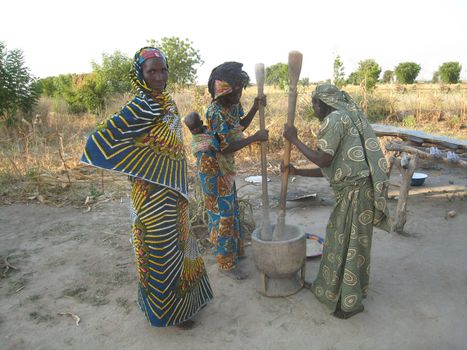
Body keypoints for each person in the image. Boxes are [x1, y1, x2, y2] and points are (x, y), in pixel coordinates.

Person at [81, 47, 213, 328]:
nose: (159, 76)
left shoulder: (165, 101)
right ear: (140, 74)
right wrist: (138, 163)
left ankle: (185, 306)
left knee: (180, 249)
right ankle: (171, 314)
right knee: (160, 254)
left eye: (162, 69)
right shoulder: (142, 105)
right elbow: (100, 140)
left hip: (172, 195)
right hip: (151, 196)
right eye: (151, 71)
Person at [282, 83, 390, 319]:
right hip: (359, 190)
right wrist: (297, 171)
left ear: (323, 104)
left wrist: (294, 139)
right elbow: (332, 166)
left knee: (346, 244)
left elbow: (322, 158)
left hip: (355, 192)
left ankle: (348, 304)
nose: (313, 107)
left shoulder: (335, 120)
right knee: (349, 242)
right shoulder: (347, 118)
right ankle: (339, 291)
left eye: (314, 103)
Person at [198, 62, 268, 280]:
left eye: (240, 90)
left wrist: (255, 109)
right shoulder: (214, 112)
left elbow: (238, 128)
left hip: (224, 165)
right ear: (222, 91)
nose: (239, 94)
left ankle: (234, 253)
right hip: (213, 167)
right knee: (223, 214)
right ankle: (225, 263)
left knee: (231, 209)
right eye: (235, 91)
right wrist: (255, 139)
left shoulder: (232, 106)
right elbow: (225, 145)